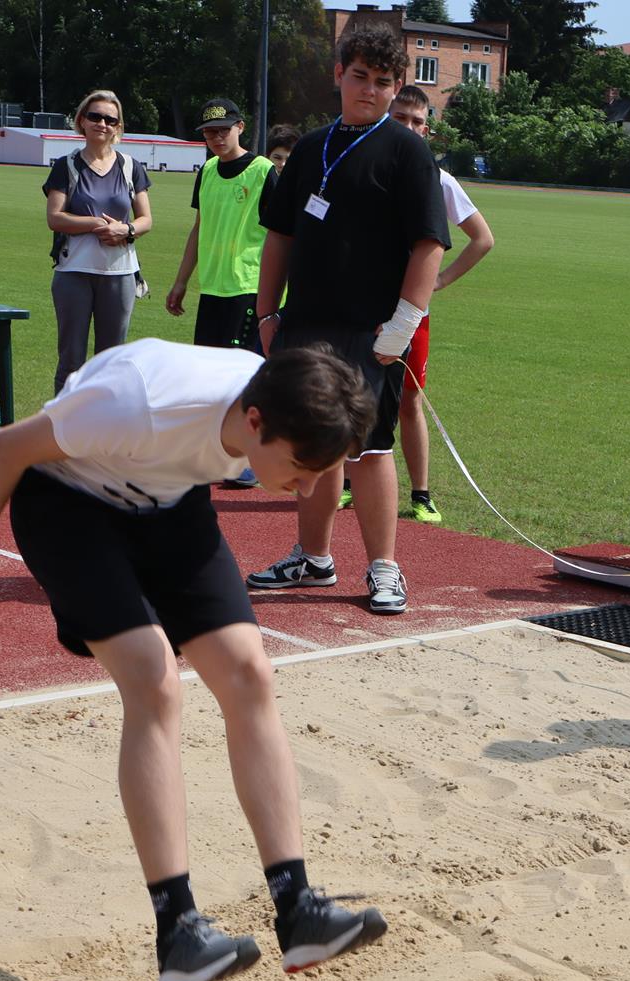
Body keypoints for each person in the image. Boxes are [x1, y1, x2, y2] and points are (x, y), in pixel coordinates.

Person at [0, 338, 389, 981]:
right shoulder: (139, 400)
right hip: (68, 505)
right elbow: (8, 447)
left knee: (249, 673)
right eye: (300, 468)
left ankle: (298, 908)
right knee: (153, 680)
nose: (307, 487)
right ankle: (178, 931)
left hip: (170, 505)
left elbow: (231, 472)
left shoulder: (275, 401)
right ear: (255, 421)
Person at [249, 24, 450, 615]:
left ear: (396, 87)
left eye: (383, 82)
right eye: (360, 76)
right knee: (313, 444)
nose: (370, 90)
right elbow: (279, 235)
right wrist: (267, 312)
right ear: (338, 74)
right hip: (305, 325)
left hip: (372, 330)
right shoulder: (310, 147)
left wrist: (406, 321)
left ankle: (384, 566)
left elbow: (429, 244)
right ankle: (312, 558)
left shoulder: (408, 151)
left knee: (369, 449)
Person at [384, 84, 495, 525]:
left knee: (410, 401)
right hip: (364, 307)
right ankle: (350, 483)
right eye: (400, 119)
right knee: (358, 396)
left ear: (427, 130)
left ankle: (421, 494)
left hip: (413, 314)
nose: (409, 128)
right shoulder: (368, 166)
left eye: (417, 122)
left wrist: (440, 281)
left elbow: (483, 238)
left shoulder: (440, 180)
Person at [45, 89, 152, 392]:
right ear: (82, 120)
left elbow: (146, 219)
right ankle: (65, 420)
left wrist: (125, 230)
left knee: (111, 361)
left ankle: (105, 420)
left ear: (118, 127)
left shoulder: (130, 166)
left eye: (110, 119)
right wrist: (95, 224)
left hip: (120, 274)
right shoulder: (66, 165)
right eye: (95, 116)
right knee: (71, 362)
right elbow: (55, 218)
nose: (102, 123)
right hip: (74, 272)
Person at [165, 97, 277, 356]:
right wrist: (181, 281)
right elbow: (199, 228)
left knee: (242, 369)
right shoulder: (207, 170)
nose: (216, 137)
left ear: (240, 127)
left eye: (223, 130)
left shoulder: (262, 171)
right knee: (207, 366)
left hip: (247, 288)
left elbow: (281, 234)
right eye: (209, 131)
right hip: (211, 287)